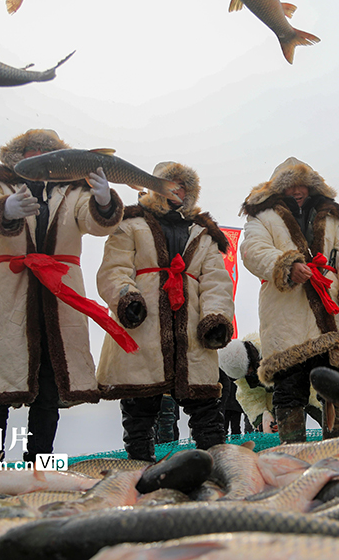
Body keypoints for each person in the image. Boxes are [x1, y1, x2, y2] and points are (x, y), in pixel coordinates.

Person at [0, 129, 123, 463]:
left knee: (50, 388)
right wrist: (5, 208)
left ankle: (40, 462)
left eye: (44, 154)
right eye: (29, 153)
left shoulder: (74, 191)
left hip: (59, 297)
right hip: (9, 293)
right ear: (17, 160)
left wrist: (104, 202)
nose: (36, 158)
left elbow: (93, 223)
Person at [96, 162, 234, 461]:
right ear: (155, 186)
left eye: (184, 186)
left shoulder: (205, 233)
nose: (177, 191)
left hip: (194, 329)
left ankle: (220, 470)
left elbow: (217, 282)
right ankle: (140, 472)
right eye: (170, 184)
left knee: (206, 409)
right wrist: (126, 297)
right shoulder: (129, 223)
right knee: (139, 413)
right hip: (142, 324)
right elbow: (114, 268)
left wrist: (216, 316)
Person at [240, 157, 339, 442]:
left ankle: (337, 444)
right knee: (290, 382)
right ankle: (292, 447)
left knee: (334, 382)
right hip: (286, 308)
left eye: (303, 185)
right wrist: (286, 264)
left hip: (330, 306)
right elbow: (252, 250)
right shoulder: (262, 217)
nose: (298, 191)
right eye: (290, 186)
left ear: (313, 187)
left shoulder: (333, 216)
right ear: (279, 189)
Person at [219, 334, 322, 434]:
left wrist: (285, 413)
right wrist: (260, 418)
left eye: (248, 371)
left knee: (325, 416)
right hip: (276, 400)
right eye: (246, 373)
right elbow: (250, 397)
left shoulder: (274, 352)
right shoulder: (244, 375)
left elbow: (293, 383)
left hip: (308, 387)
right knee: (287, 434)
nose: (248, 374)